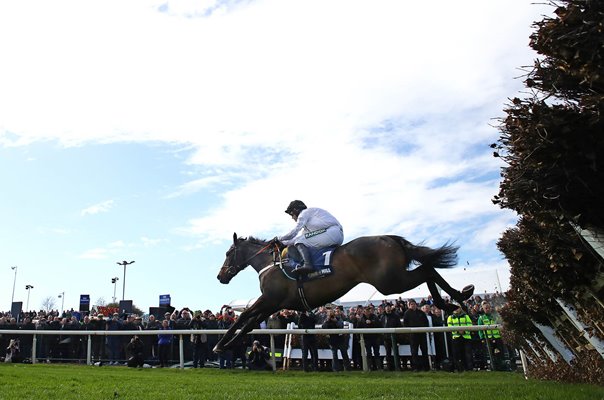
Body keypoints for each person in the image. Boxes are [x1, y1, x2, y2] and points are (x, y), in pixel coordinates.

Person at [277, 200, 344, 275]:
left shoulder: (304, 213)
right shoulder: (310, 223)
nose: (292, 218)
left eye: (291, 214)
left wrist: (279, 238)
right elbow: (297, 239)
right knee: (301, 240)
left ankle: (307, 265)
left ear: (295, 210)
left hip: (332, 232)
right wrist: (282, 243)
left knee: (300, 241)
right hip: (333, 234)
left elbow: (295, 232)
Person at [402, 299, 429, 371]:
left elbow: (426, 322)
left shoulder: (421, 312)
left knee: (424, 351)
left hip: (422, 334)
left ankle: (426, 367)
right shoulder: (407, 313)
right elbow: (405, 324)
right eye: (411, 304)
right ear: (409, 305)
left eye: (414, 304)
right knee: (414, 352)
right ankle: (415, 367)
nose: (413, 305)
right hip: (413, 336)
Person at [446, 306, 474, 372]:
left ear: (460, 309)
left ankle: (469, 369)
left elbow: (470, 325)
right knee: (457, 354)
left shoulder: (466, 316)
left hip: (466, 338)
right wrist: (458, 331)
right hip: (456, 338)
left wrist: (464, 331)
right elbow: (450, 326)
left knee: (468, 354)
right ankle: (459, 369)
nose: (456, 309)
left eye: (457, 308)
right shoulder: (450, 317)